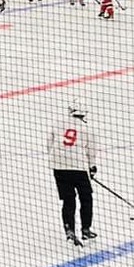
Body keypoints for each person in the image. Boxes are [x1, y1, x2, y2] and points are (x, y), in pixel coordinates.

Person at [47, 101, 97, 246]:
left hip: (58, 167)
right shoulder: (87, 129)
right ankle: (86, 229)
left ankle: (69, 230)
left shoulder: (58, 124)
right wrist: (92, 167)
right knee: (86, 198)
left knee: (68, 200)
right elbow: (91, 151)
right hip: (79, 168)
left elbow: (49, 144)